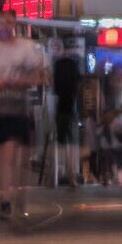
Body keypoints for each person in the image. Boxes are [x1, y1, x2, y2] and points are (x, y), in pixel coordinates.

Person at [0, 19, 47, 220]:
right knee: (5, 153)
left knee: (22, 156)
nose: (5, 27)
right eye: (1, 23)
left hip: (22, 107)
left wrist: (18, 81)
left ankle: (18, 195)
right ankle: (6, 199)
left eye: (8, 23)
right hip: (4, 107)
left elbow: (38, 76)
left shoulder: (26, 48)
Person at [50, 47, 83, 187]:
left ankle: (57, 175)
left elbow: (54, 87)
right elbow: (79, 84)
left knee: (61, 142)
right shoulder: (75, 64)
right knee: (73, 143)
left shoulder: (57, 65)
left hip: (60, 107)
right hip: (72, 107)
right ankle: (71, 175)